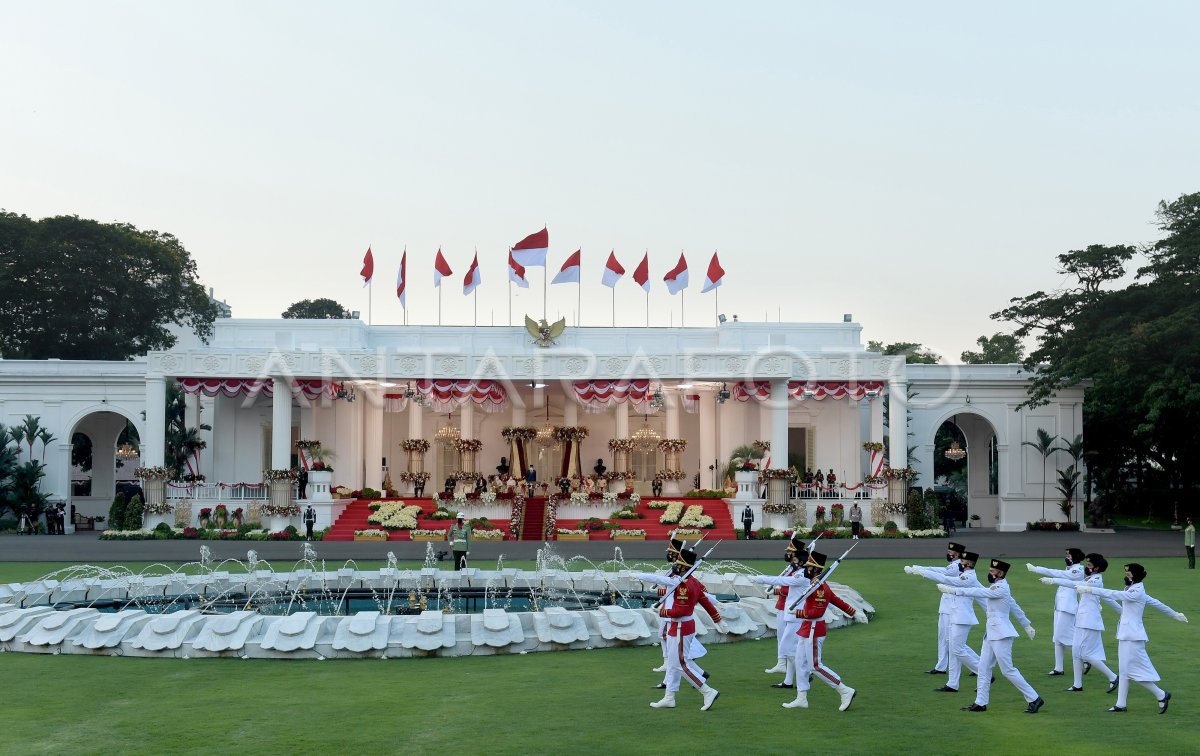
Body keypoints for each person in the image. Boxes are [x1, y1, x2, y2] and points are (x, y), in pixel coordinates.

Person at [1078, 562, 1188, 713]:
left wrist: (1091, 590)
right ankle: (1121, 704)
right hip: (1125, 635)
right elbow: (1156, 603)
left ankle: (1161, 694)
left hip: (1133, 637)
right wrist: (1174, 613)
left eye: (1128, 575)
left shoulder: (1136, 592)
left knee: (1133, 672)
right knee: (1123, 671)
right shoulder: (1133, 588)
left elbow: (1116, 595)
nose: (1126, 576)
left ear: (1135, 576)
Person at [941, 558, 1043, 714]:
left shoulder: (1001, 588)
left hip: (1001, 635)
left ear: (1000, 573)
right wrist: (1026, 624)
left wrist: (955, 590)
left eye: (992, 571)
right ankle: (980, 703)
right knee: (983, 669)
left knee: (1008, 670)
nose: (989, 573)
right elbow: (1014, 606)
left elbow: (980, 592)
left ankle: (1034, 698)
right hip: (991, 634)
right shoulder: (997, 586)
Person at [633, 547, 722, 711]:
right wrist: (717, 618)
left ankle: (707, 691)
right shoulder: (689, 582)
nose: (675, 566)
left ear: (684, 567)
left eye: (678, 565)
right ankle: (669, 697)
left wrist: (661, 611)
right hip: (679, 626)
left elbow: (681, 610)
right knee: (674, 665)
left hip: (681, 626)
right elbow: (705, 601)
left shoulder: (685, 586)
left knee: (679, 665)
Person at [781, 550, 866, 711]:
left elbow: (817, 612)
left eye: (809, 567)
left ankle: (844, 690)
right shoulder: (815, 584)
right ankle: (801, 697)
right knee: (800, 662)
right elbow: (835, 600)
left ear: (814, 569)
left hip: (814, 628)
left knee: (815, 666)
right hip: (806, 628)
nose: (805, 569)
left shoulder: (819, 587)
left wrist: (797, 612)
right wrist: (854, 612)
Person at [1038, 552, 1121, 694]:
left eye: (1089, 565)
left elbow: (1076, 584)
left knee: (1085, 654)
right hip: (1081, 620)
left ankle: (1113, 677)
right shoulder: (1091, 578)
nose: (1086, 567)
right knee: (1076, 652)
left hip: (1090, 622)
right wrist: (1121, 610)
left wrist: (1054, 580)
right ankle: (1077, 685)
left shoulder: (1095, 580)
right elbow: (1107, 598)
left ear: (1096, 568)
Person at [905, 552, 985, 695]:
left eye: (963, 561)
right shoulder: (963, 574)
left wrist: (923, 572)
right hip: (955, 616)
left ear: (969, 564)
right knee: (954, 648)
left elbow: (946, 578)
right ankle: (952, 684)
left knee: (957, 649)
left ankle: (984, 672)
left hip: (962, 618)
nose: (960, 563)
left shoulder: (968, 576)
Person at [750, 536, 807, 689]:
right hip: (788, 610)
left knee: (786, 648)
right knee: (787, 647)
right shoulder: (793, 570)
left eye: (790, 553)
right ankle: (789, 680)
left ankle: (806, 673)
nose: (788, 555)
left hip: (795, 613)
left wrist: (762, 580)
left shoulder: (800, 574)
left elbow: (785, 584)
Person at [1025, 548, 1085, 678]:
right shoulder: (1069, 569)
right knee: (1056, 639)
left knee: (1060, 637)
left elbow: (1059, 574)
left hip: (1068, 607)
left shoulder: (1078, 570)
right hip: (1060, 606)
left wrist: (1037, 569)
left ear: (1075, 557)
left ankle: (1085, 659)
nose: (1066, 557)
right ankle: (1059, 668)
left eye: (1069, 555)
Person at [913, 541, 967, 675]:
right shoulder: (953, 565)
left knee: (953, 641)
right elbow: (940, 570)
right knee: (943, 637)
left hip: (953, 608)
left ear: (957, 554)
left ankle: (976, 665)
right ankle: (941, 666)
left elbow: (942, 573)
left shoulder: (957, 567)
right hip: (945, 607)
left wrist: (922, 570)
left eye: (950, 552)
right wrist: (921, 568)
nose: (948, 554)